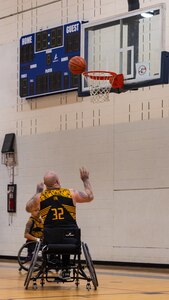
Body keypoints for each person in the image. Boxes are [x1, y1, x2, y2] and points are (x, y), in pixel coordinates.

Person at [28, 167, 94, 278]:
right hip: (71, 241)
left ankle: (51, 263)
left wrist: (37, 192)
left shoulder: (40, 197)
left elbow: (28, 208)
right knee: (66, 234)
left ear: (45, 184)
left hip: (50, 242)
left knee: (55, 234)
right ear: (58, 181)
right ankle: (66, 268)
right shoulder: (71, 193)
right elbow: (90, 197)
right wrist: (85, 179)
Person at [24, 183, 44, 260]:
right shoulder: (30, 221)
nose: (38, 212)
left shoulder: (40, 221)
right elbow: (26, 235)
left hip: (39, 242)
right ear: (31, 211)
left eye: (39, 210)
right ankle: (31, 257)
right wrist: (36, 239)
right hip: (32, 242)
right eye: (36, 210)